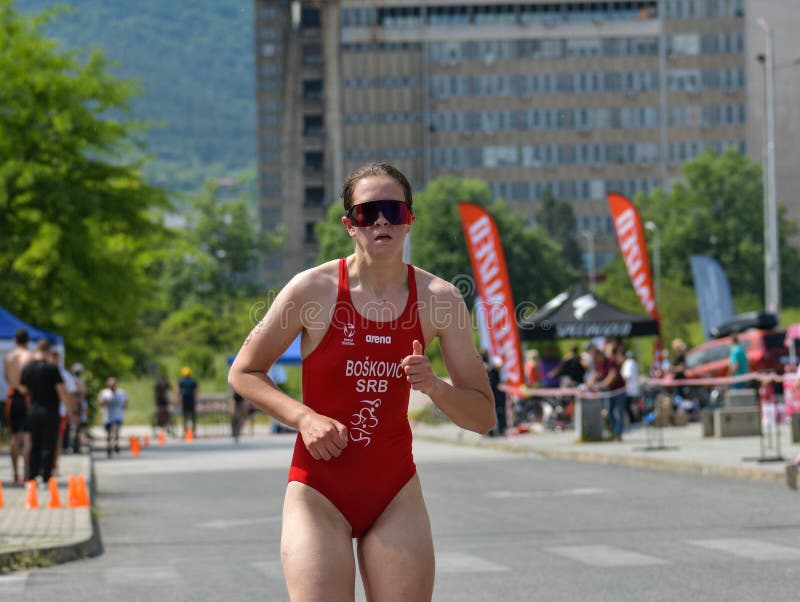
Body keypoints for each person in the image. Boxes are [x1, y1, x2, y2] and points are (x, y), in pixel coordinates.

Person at [228, 162, 495, 601]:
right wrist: (304, 418)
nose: (382, 221)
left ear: (410, 219)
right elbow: (244, 370)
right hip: (319, 489)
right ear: (350, 224)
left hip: (393, 491)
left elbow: (483, 417)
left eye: (393, 209)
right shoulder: (311, 290)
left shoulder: (440, 300)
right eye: (369, 212)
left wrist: (434, 386)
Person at [20, 339, 68, 483]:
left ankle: (32, 475)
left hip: (33, 410)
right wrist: (69, 409)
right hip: (50, 410)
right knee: (49, 444)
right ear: (48, 351)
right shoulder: (52, 368)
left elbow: (23, 389)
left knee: (34, 443)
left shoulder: (28, 368)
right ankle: (46, 475)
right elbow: (61, 391)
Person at [4, 328, 33, 484]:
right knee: (27, 437)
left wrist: (16, 386)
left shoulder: (8, 357)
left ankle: (15, 474)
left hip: (13, 397)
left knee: (14, 437)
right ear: (28, 341)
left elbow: (7, 378)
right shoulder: (30, 356)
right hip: (27, 397)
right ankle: (26, 473)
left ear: (15, 340)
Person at [98, 377, 128, 458]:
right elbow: (99, 402)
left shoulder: (121, 392)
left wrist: (124, 409)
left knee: (115, 429)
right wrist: (104, 402)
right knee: (108, 433)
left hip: (118, 416)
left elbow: (126, 401)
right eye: (111, 385)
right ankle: (109, 447)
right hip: (108, 416)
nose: (112, 386)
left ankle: (116, 444)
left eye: (114, 385)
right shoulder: (104, 393)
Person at [69, 363, 88, 453]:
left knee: (76, 428)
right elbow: (83, 393)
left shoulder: (73, 381)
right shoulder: (77, 381)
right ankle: (74, 445)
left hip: (76, 406)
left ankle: (75, 446)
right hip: (75, 406)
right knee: (75, 427)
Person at [620, 350, 641, 424]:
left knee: (630, 406)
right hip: (634, 388)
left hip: (629, 389)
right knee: (634, 406)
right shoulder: (634, 362)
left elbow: (626, 376)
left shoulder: (627, 363)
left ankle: (633, 420)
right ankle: (635, 420)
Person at [177, 366, 199, 437]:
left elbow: (178, 391)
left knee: (185, 417)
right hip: (191, 401)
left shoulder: (181, 381)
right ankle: (193, 432)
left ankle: (185, 432)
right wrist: (196, 399)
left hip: (184, 401)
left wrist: (177, 399)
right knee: (193, 418)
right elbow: (196, 391)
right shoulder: (193, 381)